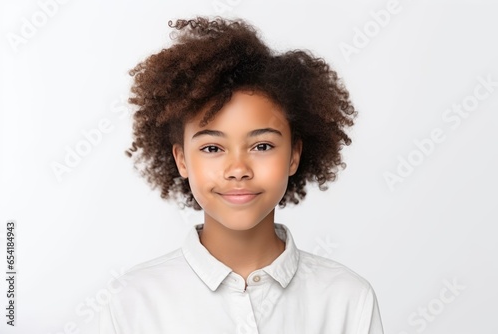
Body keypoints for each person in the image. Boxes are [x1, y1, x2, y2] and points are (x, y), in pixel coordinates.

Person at [99, 16, 384, 334]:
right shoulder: (132, 302)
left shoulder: (347, 299)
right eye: (212, 148)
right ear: (181, 159)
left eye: (262, 146)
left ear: (293, 155)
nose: (238, 170)